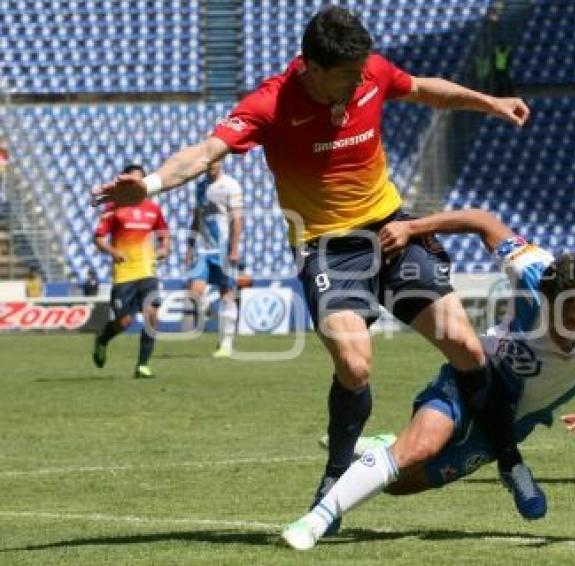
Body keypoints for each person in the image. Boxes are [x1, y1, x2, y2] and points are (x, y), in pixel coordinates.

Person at [91, 5, 536, 528]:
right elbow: (206, 149)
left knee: (464, 345)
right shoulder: (270, 102)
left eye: (360, 74)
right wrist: (148, 187)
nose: (357, 85)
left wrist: (490, 103)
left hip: (390, 228)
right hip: (327, 246)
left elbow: (423, 88)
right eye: (346, 77)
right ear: (311, 67)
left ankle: (510, 460)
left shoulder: (368, 70)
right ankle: (337, 472)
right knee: (355, 364)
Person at [280, 209, 575, 550]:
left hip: (513, 419)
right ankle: (314, 521)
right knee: (418, 449)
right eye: (560, 317)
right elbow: (483, 221)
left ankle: (387, 446)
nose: (568, 330)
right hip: (474, 377)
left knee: (398, 485)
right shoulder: (532, 269)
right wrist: (411, 227)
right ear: (544, 296)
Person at [92, 164, 170, 378]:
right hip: (124, 273)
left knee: (152, 315)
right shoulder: (113, 208)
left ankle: (142, 365)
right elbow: (98, 238)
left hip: (147, 271)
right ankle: (103, 339)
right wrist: (113, 252)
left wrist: (164, 248)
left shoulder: (153, 208)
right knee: (124, 321)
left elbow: (164, 233)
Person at [185, 158, 243, 358]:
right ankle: (206, 309)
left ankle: (226, 344)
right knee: (194, 292)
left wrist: (234, 249)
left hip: (222, 249)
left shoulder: (230, 185)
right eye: (208, 163)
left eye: (215, 162)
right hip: (203, 249)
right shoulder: (200, 186)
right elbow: (196, 217)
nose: (211, 167)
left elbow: (237, 219)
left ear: (221, 162)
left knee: (226, 293)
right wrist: (190, 247)